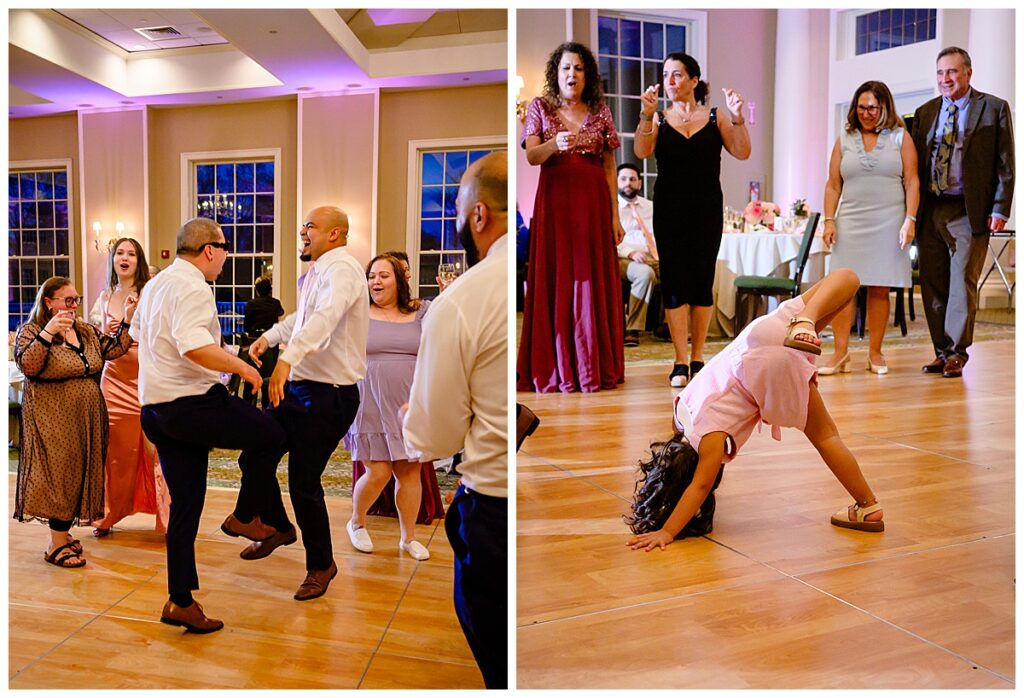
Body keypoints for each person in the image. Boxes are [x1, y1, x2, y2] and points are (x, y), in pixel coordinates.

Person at [625, 269, 885, 552]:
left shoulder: (709, 440)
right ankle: (806, 321)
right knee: (848, 279)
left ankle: (868, 506)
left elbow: (699, 487)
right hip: (759, 335)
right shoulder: (680, 411)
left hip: (763, 369)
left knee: (826, 437)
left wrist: (668, 530)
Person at [132, 217, 287, 633]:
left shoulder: (157, 284)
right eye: (225, 249)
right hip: (191, 406)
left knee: (187, 505)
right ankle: (244, 515)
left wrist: (223, 353)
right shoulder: (194, 286)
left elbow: (141, 336)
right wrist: (243, 368)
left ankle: (180, 601)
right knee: (272, 435)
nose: (225, 259)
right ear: (209, 250)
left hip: (157, 411)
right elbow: (192, 345)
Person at [404, 152, 508, 689]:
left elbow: (434, 437)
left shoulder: (461, 301)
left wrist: (415, 413)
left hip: (494, 504)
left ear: (479, 216)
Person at [236, 206, 369, 602]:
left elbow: (324, 320)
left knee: (303, 481)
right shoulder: (318, 272)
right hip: (302, 391)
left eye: (310, 226)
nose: (302, 231)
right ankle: (274, 525)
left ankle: (321, 564)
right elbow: (301, 318)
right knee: (256, 452)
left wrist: (288, 361)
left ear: (335, 234)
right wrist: (270, 338)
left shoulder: (343, 270)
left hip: (330, 395)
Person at [634, 52, 751, 387]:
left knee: (701, 282)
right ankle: (679, 360)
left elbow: (742, 152)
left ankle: (698, 357)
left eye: (677, 75)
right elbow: (641, 152)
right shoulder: (658, 119)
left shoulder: (716, 118)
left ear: (694, 80)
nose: (669, 81)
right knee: (673, 284)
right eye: (666, 75)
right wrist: (645, 115)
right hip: (669, 210)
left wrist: (739, 117)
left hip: (706, 210)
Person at [517, 41, 625, 394]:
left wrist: (614, 217)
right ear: (556, 73)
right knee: (560, 278)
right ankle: (559, 364)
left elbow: (609, 166)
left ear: (587, 75)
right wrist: (554, 145)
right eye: (566, 68)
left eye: (578, 68)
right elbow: (532, 155)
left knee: (592, 280)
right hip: (557, 206)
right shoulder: (540, 108)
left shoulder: (601, 111)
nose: (572, 74)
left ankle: (595, 366)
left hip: (593, 206)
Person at [14, 277, 135, 569]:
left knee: (79, 472)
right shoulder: (30, 331)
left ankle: (63, 533)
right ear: (48, 302)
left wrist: (128, 321)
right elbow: (28, 365)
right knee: (60, 476)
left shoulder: (84, 331)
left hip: (86, 419)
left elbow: (114, 349)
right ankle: (55, 543)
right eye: (67, 300)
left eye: (76, 300)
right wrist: (47, 333)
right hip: (51, 418)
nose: (73, 306)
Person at [911, 46, 1015, 379]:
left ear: (968, 73)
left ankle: (957, 352)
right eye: (941, 73)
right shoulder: (925, 112)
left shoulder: (993, 108)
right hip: (930, 208)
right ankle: (941, 351)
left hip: (968, 210)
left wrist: (1000, 208)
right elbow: (912, 167)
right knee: (932, 282)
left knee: (962, 282)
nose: (946, 79)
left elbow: (1005, 163)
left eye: (952, 72)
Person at [344, 254, 443, 560]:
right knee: (378, 472)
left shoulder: (421, 311)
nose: (376, 281)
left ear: (398, 280)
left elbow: (448, 332)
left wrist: (447, 296)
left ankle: (408, 538)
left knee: (409, 473)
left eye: (383, 275)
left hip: (408, 402)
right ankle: (356, 522)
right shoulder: (358, 312)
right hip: (368, 400)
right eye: (372, 275)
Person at [818, 81, 919, 376]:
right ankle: (840, 353)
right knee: (843, 289)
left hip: (889, 222)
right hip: (850, 220)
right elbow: (833, 184)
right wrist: (828, 219)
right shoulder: (844, 138)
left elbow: (912, 181)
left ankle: (875, 352)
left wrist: (909, 220)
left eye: (873, 107)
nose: (867, 113)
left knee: (879, 287)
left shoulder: (901, 137)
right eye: (861, 107)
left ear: (885, 107)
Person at [88, 238, 171, 537]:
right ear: (112, 259)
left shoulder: (151, 292)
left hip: (147, 379)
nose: (125, 258)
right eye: (120, 253)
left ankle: (167, 518)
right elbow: (98, 341)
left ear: (140, 260)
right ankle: (108, 514)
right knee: (117, 452)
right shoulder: (105, 296)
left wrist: (136, 321)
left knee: (155, 449)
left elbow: (164, 334)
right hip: (113, 380)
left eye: (131, 253)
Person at [616, 162, 659, 347]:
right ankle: (632, 328)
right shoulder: (612, 209)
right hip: (623, 258)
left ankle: (665, 326)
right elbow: (609, 238)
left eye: (633, 179)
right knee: (644, 273)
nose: (628, 183)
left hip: (654, 255)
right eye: (624, 179)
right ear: (616, 182)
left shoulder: (651, 207)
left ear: (639, 184)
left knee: (679, 271)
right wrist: (631, 252)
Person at [241, 276, 284, 407]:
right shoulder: (275, 303)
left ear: (257, 290)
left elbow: (246, 326)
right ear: (270, 289)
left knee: (250, 377)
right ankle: (268, 406)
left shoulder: (251, 304)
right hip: (270, 343)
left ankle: (248, 406)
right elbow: (281, 317)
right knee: (268, 378)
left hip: (254, 341)